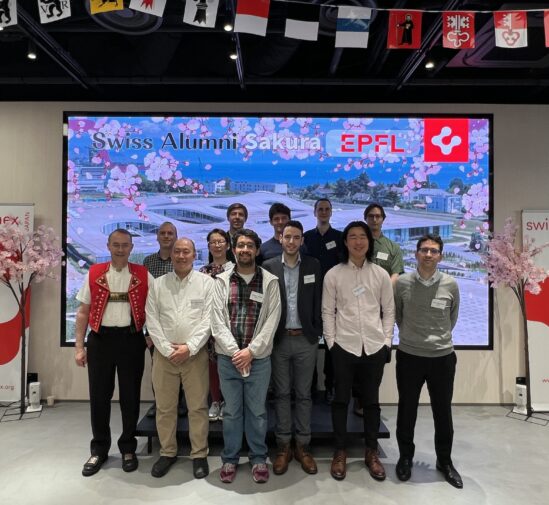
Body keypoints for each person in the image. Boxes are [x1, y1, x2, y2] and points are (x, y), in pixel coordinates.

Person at [74, 228, 153, 477]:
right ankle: (99, 449)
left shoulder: (143, 274)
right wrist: (79, 347)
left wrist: (151, 337)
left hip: (131, 340)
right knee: (99, 397)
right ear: (108, 246)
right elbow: (83, 312)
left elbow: (154, 310)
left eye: (125, 245)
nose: (120, 249)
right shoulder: (94, 273)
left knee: (130, 396)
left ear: (131, 248)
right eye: (116, 245)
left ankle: (128, 447)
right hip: (101, 341)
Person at [322, 221, 395, 482]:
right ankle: (340, 451)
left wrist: (387, 342)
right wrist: (332, 343)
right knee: (341, 401)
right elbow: (327, 312)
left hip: (374, 346)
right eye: (352, 236)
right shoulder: (334, 274)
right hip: (344, 346)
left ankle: (371, 452)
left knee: (371, 403)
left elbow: (389, 310)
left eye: (362, 236)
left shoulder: (380, 274)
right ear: (345, 242)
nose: (358, 241)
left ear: (369, 240)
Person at [211, 228, 281, 484]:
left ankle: (258, 458)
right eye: (240, 245)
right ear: (233, 250)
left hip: (259, 359)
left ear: (257, 250)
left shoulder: (270, 281)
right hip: (228, 359)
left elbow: (272, 321)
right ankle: (230, 458)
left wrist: (250, 351)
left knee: (257, 412)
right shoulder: (221, 281)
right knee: (231, 412)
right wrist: (236, 352)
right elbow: (216, 321)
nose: (245, 250)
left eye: (250, 245)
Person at [394, 234, 462, 488]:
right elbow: (398, 316)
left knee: (442, 412)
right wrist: (413, 337)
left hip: (442, 358)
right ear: (416, 254)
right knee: (407, 410)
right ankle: (405, 458)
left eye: (434, 251)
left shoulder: (451, 284)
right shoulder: (402, 283)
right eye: (424, 250)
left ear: (440, 256)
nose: (428, 255)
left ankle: (445, 461)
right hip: (409, 356)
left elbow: (452, 317)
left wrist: (436, 339)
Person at [145, 238, 213, 479]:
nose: (181, 256)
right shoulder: (158, 284)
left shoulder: (206, 283)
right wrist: (167, 350)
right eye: (177, 252)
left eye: (186, 251)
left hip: (195, 356)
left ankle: (199, 454)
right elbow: (151, 318)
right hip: (164, 357)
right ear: (171, 255)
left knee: (198, 407)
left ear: (194, 255)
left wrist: (189, 348)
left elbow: (209, 319)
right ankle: (167, 452)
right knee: (165, 408)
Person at [263, 220, 323, 476]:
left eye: (296, 237)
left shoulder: (313, 265)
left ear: (301, 240)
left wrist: (316, 330)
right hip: (278, 339)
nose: (291, 241)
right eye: (287, 237)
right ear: (280, 238)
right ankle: (283, 446)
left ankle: (303, 446)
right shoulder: (269, 267)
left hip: (305, 339)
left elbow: (319, 299)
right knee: (281, 394)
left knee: (304, 395)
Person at [352, 203, 404, 416]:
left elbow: (396, 275)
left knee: (377, 357)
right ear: (365, 218)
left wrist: (379, 295)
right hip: (355, 309)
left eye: (378, 216)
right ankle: (358, 400)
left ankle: (371, 400)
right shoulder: (357, 244)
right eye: (371, 216)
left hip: (381, 310)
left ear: (383, 219)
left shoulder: (391, 247)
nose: (374, 219)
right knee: (356, 355)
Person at [143, 222, 188, 419]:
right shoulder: (148, 261)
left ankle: (181, 403)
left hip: (180, 323)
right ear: (157, 237)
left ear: (176, 237)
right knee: (159, 369)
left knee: (183, 366)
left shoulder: (181, 260)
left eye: (171, 233)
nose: (167, 236)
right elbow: (145, 298)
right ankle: (160, 403)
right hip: (156, 326)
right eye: (163, 233)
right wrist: (148, 332)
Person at [303, 198, 343, 403]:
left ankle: (330, 386)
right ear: (315, 212)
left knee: (331, 345)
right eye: (320, 209)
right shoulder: (307, 237)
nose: (324, 212)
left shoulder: (339, 237)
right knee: (308, 342)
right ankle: (309, 386)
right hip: (309, 297)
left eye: (327, 209)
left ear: (331, 212)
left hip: (333, 298)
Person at [199, 228, 234, 422]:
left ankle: (228, 401)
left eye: (221, 241)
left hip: (231, 324)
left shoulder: (235, 269)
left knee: (229, 364)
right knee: (212, 364)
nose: (217, 245)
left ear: (228, 245)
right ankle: (215, 401)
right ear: (209, 246)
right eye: (213, 242)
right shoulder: (203, 272)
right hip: (209, 326)